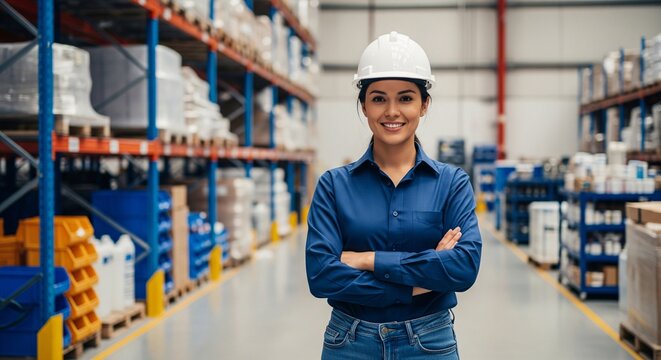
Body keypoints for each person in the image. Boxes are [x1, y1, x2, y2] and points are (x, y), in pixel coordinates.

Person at [305, 31, 482, 359]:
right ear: (363, 105)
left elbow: (463, 267)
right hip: (350, 342)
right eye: (378, 98)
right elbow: (321, 275)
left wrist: (366, 259)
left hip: (429, 342)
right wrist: (423, 280)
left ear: (424, 104)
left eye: (405, 98)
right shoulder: (333, 186)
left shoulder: (452, 183)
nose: (391, 111)